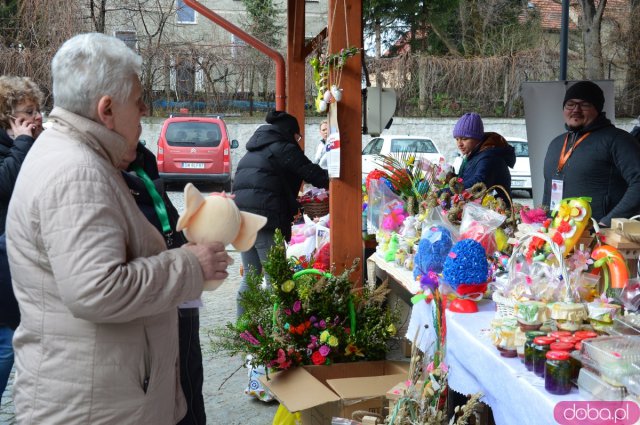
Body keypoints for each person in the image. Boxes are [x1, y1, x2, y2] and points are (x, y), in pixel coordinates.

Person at [6, 33, 231, 424]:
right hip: (98, 406)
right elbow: (98, 289)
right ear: (107, 109)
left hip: (107, 395)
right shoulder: (76, 170)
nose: (144, 109)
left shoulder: (77, 155)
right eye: (138, 100)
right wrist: (190, 265)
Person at [122, 142, 206, 425]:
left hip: (180, 294)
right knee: (172, 382)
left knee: (189, 375)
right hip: (156, 303)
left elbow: (170, 221)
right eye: (136, 105)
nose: (143, 111)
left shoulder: (139, 159)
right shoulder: (100, 173)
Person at [232, 111, 329, 318]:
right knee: (276, 277)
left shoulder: (256, 147)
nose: (298, 141)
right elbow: (312, 173)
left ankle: (244, 328)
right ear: (289, 132)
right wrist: (337, 179)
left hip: (241, 218)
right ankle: (277, 328)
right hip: (263, 219)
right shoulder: (283, 147)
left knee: (251, 275)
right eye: (298, 136)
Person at [0, 75, 44, 403]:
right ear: (9, 118)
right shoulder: (16, 145)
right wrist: (22, 142)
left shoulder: (31, 143)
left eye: (38, 110)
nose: (36, 117)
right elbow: (7, 183)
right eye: (29, 111)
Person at [542, 80, 640, 226]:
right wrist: (544, 221)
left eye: (584, 104)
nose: (576, 109)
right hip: (559, 235)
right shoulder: (556, 143)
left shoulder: (618, 140)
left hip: (601, 238)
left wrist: (607, 222)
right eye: (570, 104)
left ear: (597, 109)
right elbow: (549, 189)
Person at [453, 112, 515, 193]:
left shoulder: (489, 156)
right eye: (457, 139)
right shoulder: (473, 154)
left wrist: (447, 191)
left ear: (477, 138)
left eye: (464, 139)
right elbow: (466, 179)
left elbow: (479, 182)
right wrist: (451, 177)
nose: (459, 144)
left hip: (495, 204)